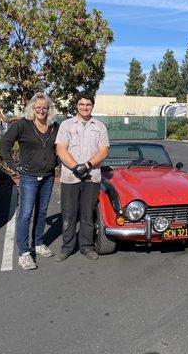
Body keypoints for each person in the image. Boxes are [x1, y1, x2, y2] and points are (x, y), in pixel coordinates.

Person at [0, 92, 59, 271]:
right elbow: (4, 145)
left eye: (45, 107)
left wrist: (56, 162)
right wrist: (14, 165)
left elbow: (62, 146)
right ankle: (24, 253)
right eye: (38, 107)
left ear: (49, 110)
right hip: (29, 176)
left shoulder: (54, 126)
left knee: (41, 211)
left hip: (48, 175)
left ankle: (38, 243)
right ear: (32, 108)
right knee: (25, 213)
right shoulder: (22, 125)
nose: (41, 110)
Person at [55, 92, 109, 261]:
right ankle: (67, 248)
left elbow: (103, 151)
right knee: (69, 215)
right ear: (76, 105)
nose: (85, 107)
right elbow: (61, 149)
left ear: (92, 106)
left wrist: (86, 166)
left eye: (88, 105)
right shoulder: (66, 125)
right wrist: (74, 167)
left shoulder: (99, 126)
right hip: (70, 178)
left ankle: (86, 246)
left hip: (91, 177)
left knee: (87, 214)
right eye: (81, 104)